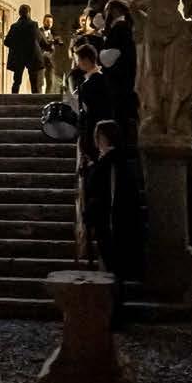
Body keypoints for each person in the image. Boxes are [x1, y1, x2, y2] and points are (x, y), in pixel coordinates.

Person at [83, 118, 144, 323]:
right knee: (112, 269)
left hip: (112, 224)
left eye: (98, 136)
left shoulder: (113, 162)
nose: (95, 140)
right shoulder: (111, 161)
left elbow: (109, 193)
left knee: (113, 269)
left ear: (105, 137)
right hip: (109, 222)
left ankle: (114, 313)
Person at [99, 0, 139, 142]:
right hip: (125, 79)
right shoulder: (126, 26)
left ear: (114, 11)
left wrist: (101, 55)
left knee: (120, 115)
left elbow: (111, 55)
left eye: (107, 10)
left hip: (119, 80)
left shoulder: (120, 28)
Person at [4, 4, 43, 95]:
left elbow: (7, 42)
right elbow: (39, 39)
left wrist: (17, 46)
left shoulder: (14, 26)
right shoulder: (33, 25)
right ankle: (35, 101)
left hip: (18, 57)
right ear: (29, 13)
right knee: (34, 83)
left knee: (17, 82)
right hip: (31, 56)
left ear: (19, 13)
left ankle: (13, 100)